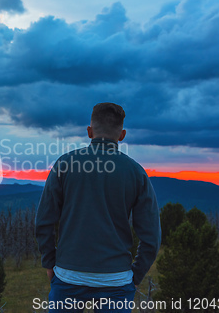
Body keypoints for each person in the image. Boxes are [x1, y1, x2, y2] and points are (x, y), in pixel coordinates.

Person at [35, 103, 161, 312]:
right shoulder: (136, 173)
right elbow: (152, 238)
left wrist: (50, 264)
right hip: (117, 280)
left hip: (69, 275)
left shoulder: (65, 164)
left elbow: (43, 222)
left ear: (89, 131)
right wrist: (134, 277)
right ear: (122, 135)